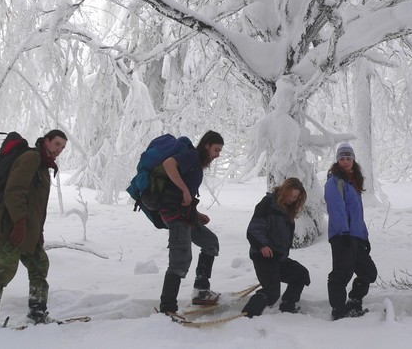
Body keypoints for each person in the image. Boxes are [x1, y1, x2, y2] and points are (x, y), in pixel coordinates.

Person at [0, 129, 68, 328]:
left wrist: (38, 231)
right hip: (11, 227)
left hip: (29, 231)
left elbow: (36, 205)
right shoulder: (31, 158)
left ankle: (37, 313)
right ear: (47, 141)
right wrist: (19, 223)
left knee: (39, 265)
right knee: (3, 269)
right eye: (57, 144)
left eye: (63, 147)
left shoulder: (43, 165)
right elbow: (14, 191)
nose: (59, 149)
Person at [158, 130, 224, 314]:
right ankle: (167, 308)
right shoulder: (192, 155)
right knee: (180, 260)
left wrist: (197, 213)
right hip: (175, 214)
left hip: (186, 214)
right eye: (216, 150)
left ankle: (201, 292)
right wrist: (185, 190)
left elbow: (181, 193)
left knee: (211, 243)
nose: (217, 155)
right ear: (206, 145)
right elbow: (168, 164)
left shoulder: (196, 164)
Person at [241, 177, 310, 317]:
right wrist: (263, 246)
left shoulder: (288, 210)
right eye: (289, 194)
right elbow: (254, 229)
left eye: (295, 197)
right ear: (283, 190)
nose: (291, 199)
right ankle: (247, 314)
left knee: (301, 274)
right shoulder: (268, 203)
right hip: (264, 257)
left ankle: (287, 306)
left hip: (278, 258)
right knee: (271, 292)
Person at [325, 143, 377, 320]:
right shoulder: (335, 181)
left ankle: (354, 302)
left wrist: (365, 237)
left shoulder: (353, 182)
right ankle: (338, 310)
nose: (345, 162)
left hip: (356, 236)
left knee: (369, 272)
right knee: (341, 273)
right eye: (342, 159)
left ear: (353, 160)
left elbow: (358, 214)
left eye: (348, 158)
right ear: (337, 161)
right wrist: (343, 233)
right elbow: (336, 208)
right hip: (342, 236)